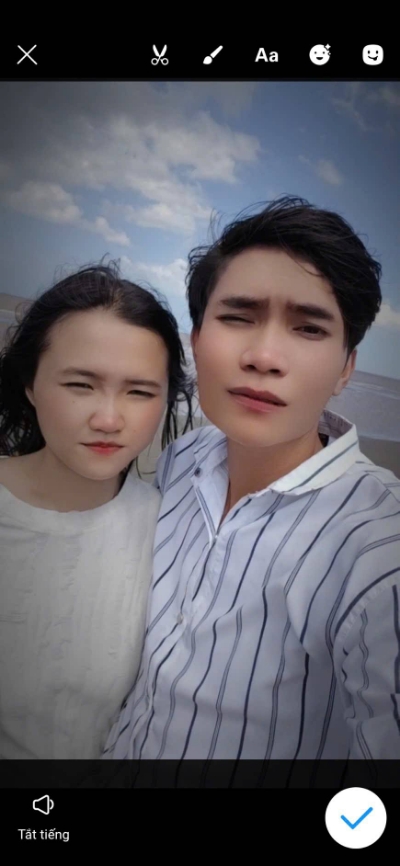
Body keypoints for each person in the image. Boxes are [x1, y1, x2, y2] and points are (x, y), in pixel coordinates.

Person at [104, 196, 400, 765]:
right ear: (195, 340)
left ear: (346, 367)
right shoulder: (183, 458)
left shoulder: (378, 551)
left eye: (308, 327)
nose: (264, 356)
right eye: (238, 317)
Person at [0, 263, 193, 759]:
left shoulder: (171, 530)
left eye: (140, 392)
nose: (108, 419)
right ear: (30, 383)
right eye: (80, 385)